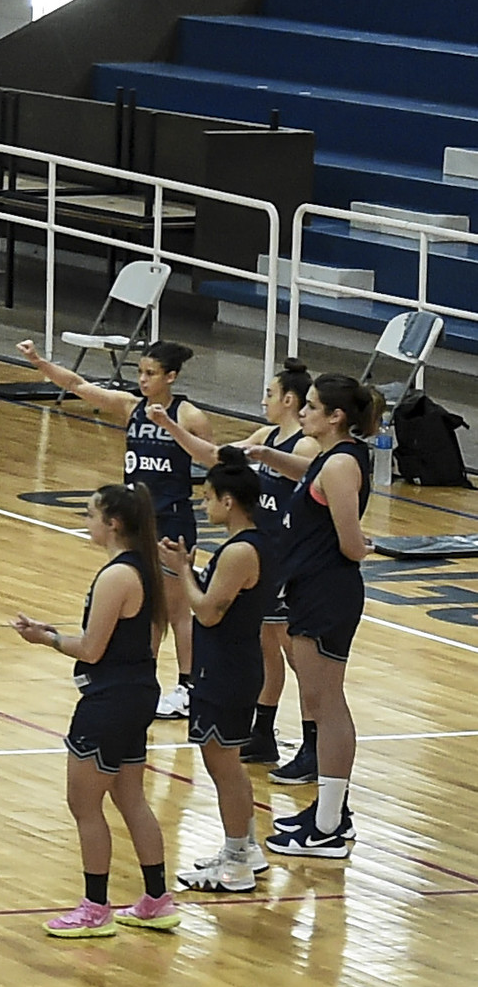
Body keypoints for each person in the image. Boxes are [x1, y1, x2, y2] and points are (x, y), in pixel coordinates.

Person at [11, 485, 177, 936]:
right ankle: (157, 898)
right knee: (130, 797)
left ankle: (95, 908)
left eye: (90, 515)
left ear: (113, 523)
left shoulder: (117, 577)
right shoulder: (148, 570)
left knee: (84, 805)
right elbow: (147, 639)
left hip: (109, 700)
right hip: (139, 691)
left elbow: (90, 648)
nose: (86, 523)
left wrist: (43, 637)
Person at [17, 335, 212, 716]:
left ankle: (189, 688)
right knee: (148, 610)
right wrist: (40, 363)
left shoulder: (190, 416)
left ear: (170, 377)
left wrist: (170, 426)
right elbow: (77, 385)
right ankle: (146, 679)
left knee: (175, 609)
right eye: (139, 372)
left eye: (151, 374)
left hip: (171, 518)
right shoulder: (131, 406)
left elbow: (211, 460)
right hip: (137, 520)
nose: (142, 380)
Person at [233, 372, 378, 860]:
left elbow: (350, 542)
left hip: (327, 592)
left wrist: (367, 547)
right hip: (311, 589)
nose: (303, 413)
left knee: (328, 703)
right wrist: (269, 456)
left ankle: (330, 825)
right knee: (321, 698)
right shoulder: (329, 459)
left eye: (312, 406)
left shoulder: (339, 466)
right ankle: (330, 814)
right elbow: (310, 479)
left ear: (336, 417)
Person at [166, 367, 320, 778]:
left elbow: (307, 475)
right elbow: (216, 457)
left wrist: (267, 458)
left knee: (297, 655)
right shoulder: (263, 437)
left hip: (287, 560)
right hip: (260, 559)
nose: (264, 400)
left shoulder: (304, 444)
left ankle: (314, 743)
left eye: (270, 393)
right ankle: (264, 733)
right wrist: (169, 426)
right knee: (267, 646)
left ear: (289, 399)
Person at [177, 455, 277, 894]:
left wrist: (182, 571)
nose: (204, 506)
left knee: (224, 766)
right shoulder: (250, 544)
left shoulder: (239, 550)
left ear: (230, 500)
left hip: (227, 667)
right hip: (229, 663)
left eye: (208, 498)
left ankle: (237, 861)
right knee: (225, 765)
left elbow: (209, 612)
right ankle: (244, 847)